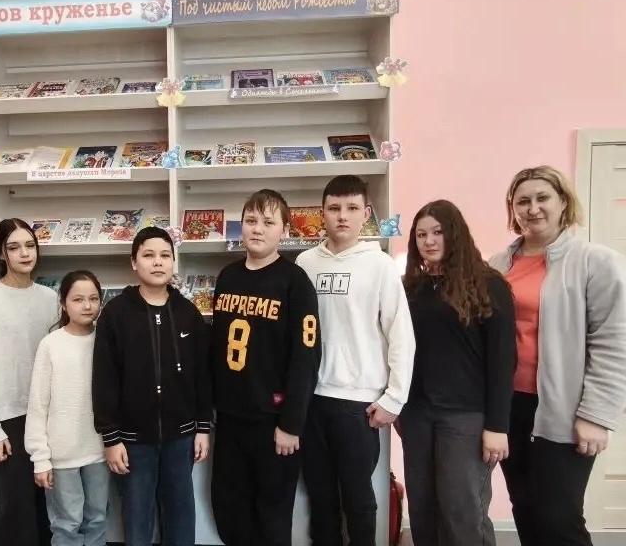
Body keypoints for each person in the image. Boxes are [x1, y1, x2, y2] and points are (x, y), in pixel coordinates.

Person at [489, 166, 626, 545]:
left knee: (559, 518)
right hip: (508, 407)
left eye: (542, 198)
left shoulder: (595, 262)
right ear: (513, 209)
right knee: (525, 507)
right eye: (523, 201)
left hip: (564, 410)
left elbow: (613, 343)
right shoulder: (497, 266)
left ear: (563, 202)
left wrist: (596, 415)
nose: (533, 208)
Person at [295, 175, 415, 546]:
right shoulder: (304, 262)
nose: (342, 216)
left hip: (358, 405)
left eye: (351, 208)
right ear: (322, 213)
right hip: (312, 400)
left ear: (366, 213)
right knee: (320, 498)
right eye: (334, 208)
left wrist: (394, 398)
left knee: (358, 499)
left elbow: (401, 335)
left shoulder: (379, 265)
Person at [401, 199, 516, 546]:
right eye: (421, 234)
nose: (429, 241)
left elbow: (503, 360)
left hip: (466, 417)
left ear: (455, 234)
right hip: (417, 413)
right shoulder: (411, 288)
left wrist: (497, 427)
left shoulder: (488, 284)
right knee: (422, 508)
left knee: (461, 511)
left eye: (437, 232)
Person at [210, 189, 321, 545]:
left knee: (272, 517)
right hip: (230, 418)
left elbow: (306, 357)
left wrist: (291, 423)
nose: (257, 229)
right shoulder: (227, 276)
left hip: (272, 422)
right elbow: (216, 348)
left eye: (268, 222)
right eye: (251, 220)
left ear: (284, 230)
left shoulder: (295, 282)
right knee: (230, 511)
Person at [93, 226, 211, 546]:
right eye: (148, 255)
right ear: (134, 262)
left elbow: (202, 375)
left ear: (173, 262)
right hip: (133, 441)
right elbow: (104, 379)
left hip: (181, 437)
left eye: (165, 255)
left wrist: (202, 427)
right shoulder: (116, 314)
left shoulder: (187, 313)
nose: (157, 262)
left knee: (180, 513)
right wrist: (111, 436)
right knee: (137, 516)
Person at [0, 217, 58, 546]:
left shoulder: (50, 298)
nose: (24, 253)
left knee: (49, 506)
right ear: (1, 253)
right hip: (8, 418)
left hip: (47, 415)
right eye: (14, 247)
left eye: (30, 245)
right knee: (14, 507)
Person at [25, 270, 109, 546]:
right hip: (61, 455)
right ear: (63, 303)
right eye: (78, 299)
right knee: (67, 523)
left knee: (97, 518)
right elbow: (38, 404)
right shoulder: (51, 345)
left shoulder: (106, 341)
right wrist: (40, 457)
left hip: (99, 450)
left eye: (93, 299)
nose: (87, 306)